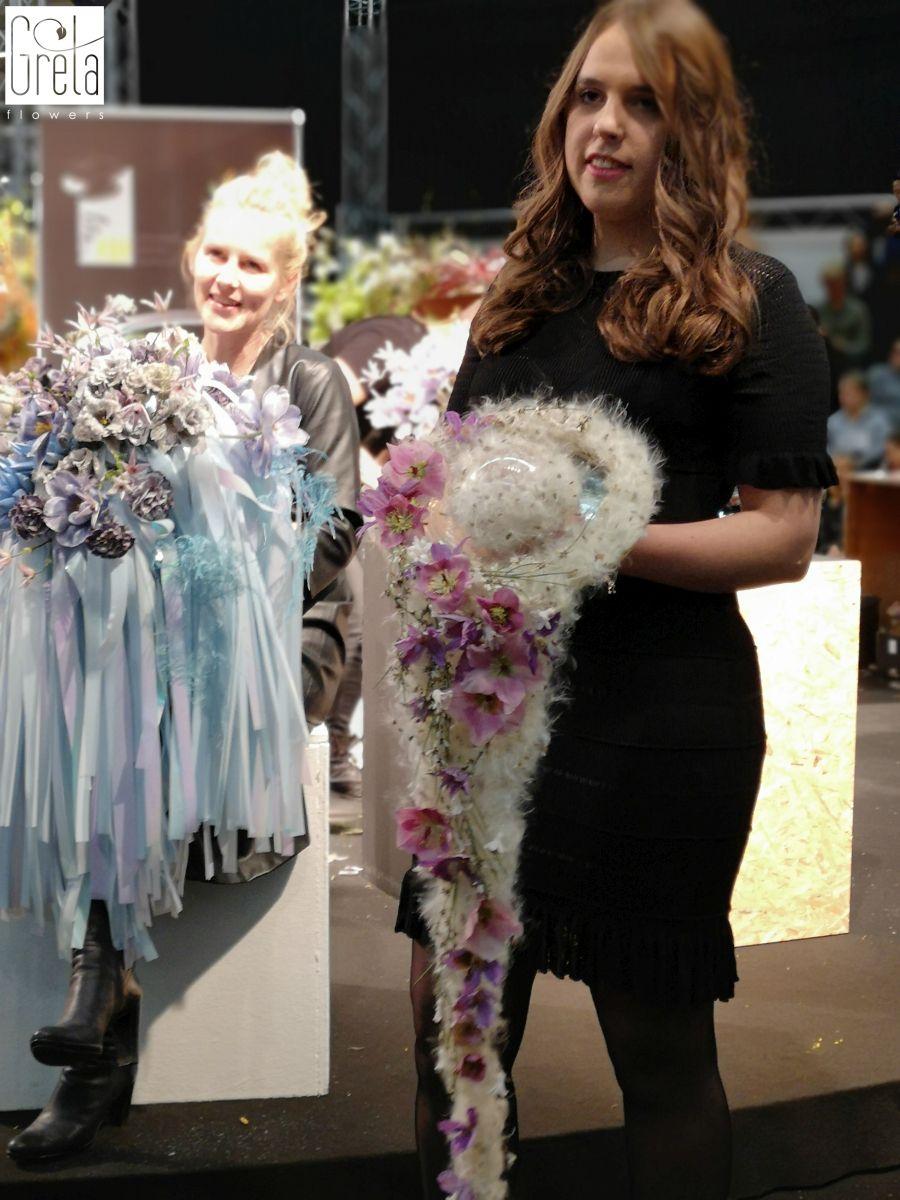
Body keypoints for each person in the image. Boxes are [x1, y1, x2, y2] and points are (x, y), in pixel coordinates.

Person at [394, 3, 836, 1198]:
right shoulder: (517, 299)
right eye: (589, 96)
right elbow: (459, 494)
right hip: (490, 724)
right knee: (451, 1042)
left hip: (658, 724)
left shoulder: (751, 299)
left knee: (660, 1056)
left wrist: (591, 540)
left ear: (693, 131)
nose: (607, 126)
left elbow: (784, 536)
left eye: (644, 104)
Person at [7, 152, 360, 1163]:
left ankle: (96, 1011)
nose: (229, 279)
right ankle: (100, 1004)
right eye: (218, 255)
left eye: (254, 264)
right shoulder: (151, 370)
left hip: (279, 638)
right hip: (149, 639)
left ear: (286, 282)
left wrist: (217, 564)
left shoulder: (311, 382)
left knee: (140, 702)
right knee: (80, 695)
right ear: (193, 256)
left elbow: (333, 531)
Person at [827, 370, 891, 469]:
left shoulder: (879, 420)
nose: (843, 397)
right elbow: (826, 447)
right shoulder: (832, 421)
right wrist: (835, 460)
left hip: (870, 469)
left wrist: (855, 462)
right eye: (841, 393)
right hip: (838, 468)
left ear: (864, 394)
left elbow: (882, 448)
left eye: (849, 393)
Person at [818, 261, 872, 368]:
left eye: (836, 284)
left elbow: (864, 346)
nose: (833, 288)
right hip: (824, 365)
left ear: (843, 283)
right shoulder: (819, 310)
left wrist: (843, 346)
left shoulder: (858, 310)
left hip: (851, 366)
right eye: (829, 284)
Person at [867, 336, 900, 431]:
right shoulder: (876, 374)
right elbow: (865, 402)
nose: (898, 357)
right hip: (881, 426)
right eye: (896, 353)